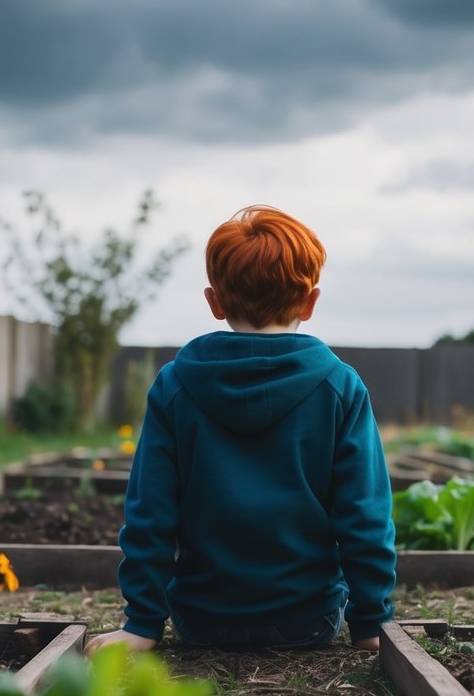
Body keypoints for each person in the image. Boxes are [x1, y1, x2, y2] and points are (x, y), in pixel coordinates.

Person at [85, 206, 396, 654]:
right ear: (310, 302)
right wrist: (371, 624)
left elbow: (149, 513)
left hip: (201, 622)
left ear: (215, 302)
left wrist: (142, 624)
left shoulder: (175, 385)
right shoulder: (340, 386)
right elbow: (364, 516)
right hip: (308, 623)